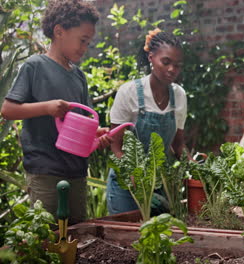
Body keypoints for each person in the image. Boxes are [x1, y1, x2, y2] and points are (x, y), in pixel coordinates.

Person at [1, 0, 110, 224]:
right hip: (45, 170)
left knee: (78, 233)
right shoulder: (35, 66)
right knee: (47, 235)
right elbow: (8, 110)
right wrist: (47, 107)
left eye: (88, 42)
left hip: (77, 172)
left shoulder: (79, 77)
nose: (84, 47)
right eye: (82, 40)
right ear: (59, 31)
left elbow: (80, 123)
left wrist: (96, 134)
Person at [106, 28, 190, 215]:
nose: (172, 70)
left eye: (177, 65)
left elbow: (178, 144)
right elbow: (115, 145)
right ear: (151, 57)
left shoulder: (179, 96)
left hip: (159, 184)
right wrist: (133, 173)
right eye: (166, 62)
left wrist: (196, 168)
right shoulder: (129, 93)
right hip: (126, 185)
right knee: (127, 240)